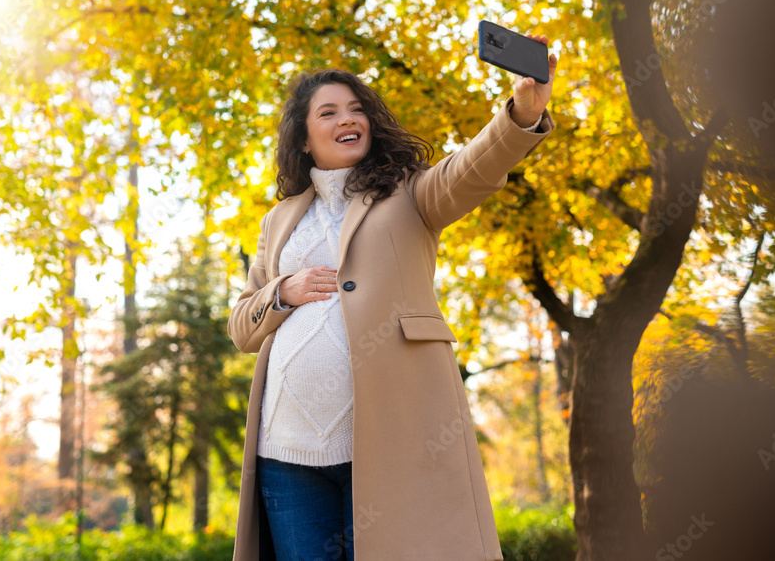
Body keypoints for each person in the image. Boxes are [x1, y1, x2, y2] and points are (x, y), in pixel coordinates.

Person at [228, 35, 558, 561]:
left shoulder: (410, 194)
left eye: (356, 109)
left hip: (386, 445)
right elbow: (243, 328)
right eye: (329, 112)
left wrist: (521, 113)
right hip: (284, 449)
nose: (345, 119)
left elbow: (473, 168)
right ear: (305, 139)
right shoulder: (279, 219)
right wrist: (281, 292)